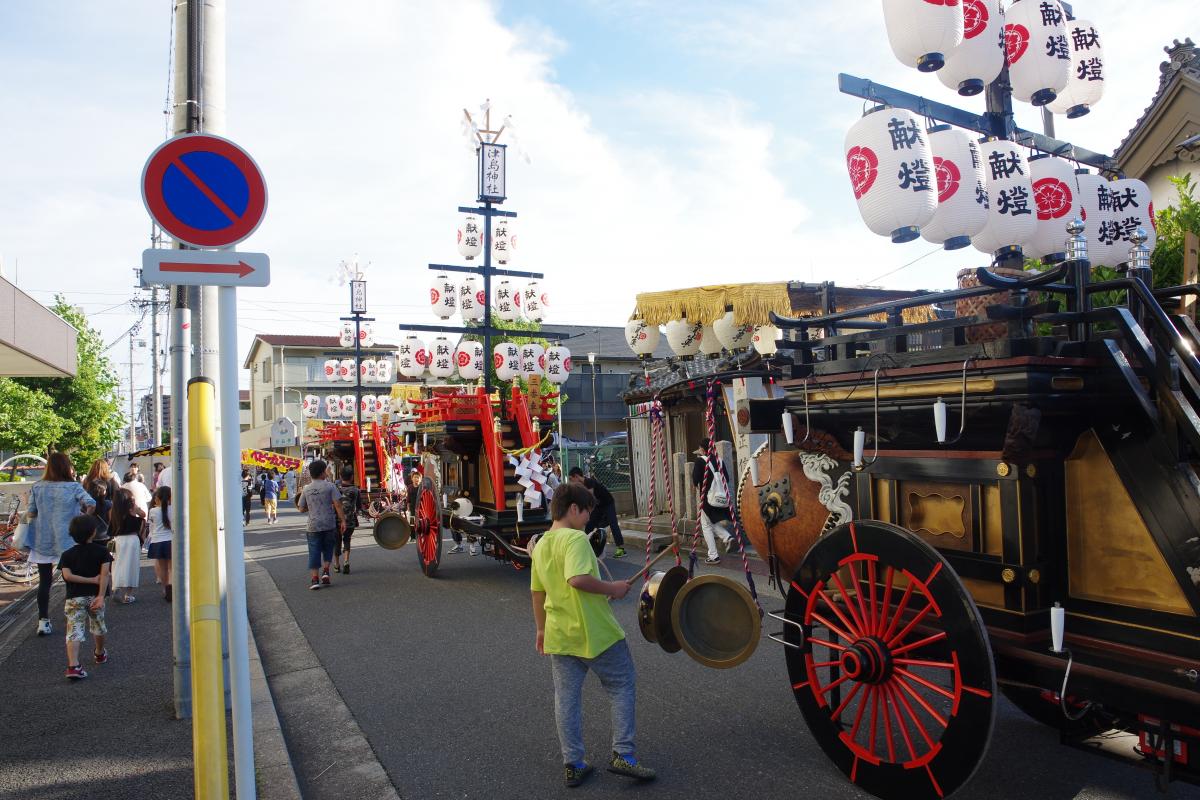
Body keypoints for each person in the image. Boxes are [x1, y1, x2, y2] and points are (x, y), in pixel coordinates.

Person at [530, 482, 656, 788]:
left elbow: (537, 591)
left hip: (560, 636)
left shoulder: (542, 543)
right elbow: (577, 579)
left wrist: (541, 628)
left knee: (566, 699)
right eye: (587, 512)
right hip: (596, 633)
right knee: (622, 684)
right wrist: (614, 589)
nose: (589, 518)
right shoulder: (575, 539)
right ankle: (623, 754)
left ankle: (573, 763)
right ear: (574, 509)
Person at [24, 453, 96, 636]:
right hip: (68, 540)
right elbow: (91, 503)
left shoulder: (37, 487)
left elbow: (31, 513)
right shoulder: (73, 487)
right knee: (70, 580)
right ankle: (72, 618)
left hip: (43, 541)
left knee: (45, 582)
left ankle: (43, 621)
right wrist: (83, 518)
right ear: (66, 467)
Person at [57, 515, 112, 680]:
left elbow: (67, 575)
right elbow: (105, 575)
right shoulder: (102, 552)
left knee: (74, 630)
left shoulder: (67, 555)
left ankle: (73, 666)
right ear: (93, 532)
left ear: (71, 533)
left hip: (74, 598)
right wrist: (101, 595)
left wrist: (87, 580)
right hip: (96, 596)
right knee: (98, 626)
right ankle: (100, 653)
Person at [296, 460, 346, 590]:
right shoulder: (330, 486)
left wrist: (311, 508)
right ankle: (325, 571)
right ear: (323, 472)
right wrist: (343, 521)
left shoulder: (306, 489)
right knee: (328, 548)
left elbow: (301, 508)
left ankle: (314, 579)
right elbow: (338, 505)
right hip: (329, 523)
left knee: (314, 551)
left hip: (313, 525)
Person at [567, 467, 626, 558]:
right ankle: (586, 547)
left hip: (608, 503)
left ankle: (621, 549)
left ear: (577, 476)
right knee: (590, 525)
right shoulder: (580, 486)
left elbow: (590, 499)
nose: (571, 482)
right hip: (598, 506)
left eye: (571, 479)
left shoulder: (589, 482)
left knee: (613, 524)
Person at [692, 439, 734, 564]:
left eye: (700, 448)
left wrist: (696, 485)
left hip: (707, 499)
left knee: (706, 526)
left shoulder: (700, 461)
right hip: (720, 497)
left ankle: (714, 555)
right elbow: (726, 478)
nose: (699, 450)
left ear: (703, 449)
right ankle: (727, 537)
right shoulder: (720, 460)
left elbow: (695, 479)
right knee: (710, 522)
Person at [109, 487, 146, 604]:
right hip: (132, 539)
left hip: (118, 540)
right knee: (132, 566)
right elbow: (143, 514)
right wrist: (137, 508)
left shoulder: (112, 511)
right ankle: (128, 595)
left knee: (117, 565)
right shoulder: (132, 509)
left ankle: (116, 587)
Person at [147, 486, 173, 601]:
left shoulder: (153, 511)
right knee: (172, 568)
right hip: (170, 540)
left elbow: (151, 525)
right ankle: (172, 590)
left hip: (157, 541)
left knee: (163, 569)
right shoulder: (173, 509)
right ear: (170, 496)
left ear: (157, 497)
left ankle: (165, 589)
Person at [332, 466, 361, 574]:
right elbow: (359, 507)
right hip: (350, 520)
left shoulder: (335, 488)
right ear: (352, 477)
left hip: (336, 520)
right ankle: (346, 561)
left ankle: (336, 564)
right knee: (347, 539)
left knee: (337, 542)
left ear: (340, 476)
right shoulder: (355, 490)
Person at [85, 479, 112, 543]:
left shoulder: (86, 504)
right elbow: (111, 521)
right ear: (104, 492)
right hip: (105, 537)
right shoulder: (108, 504)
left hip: (90, 537)